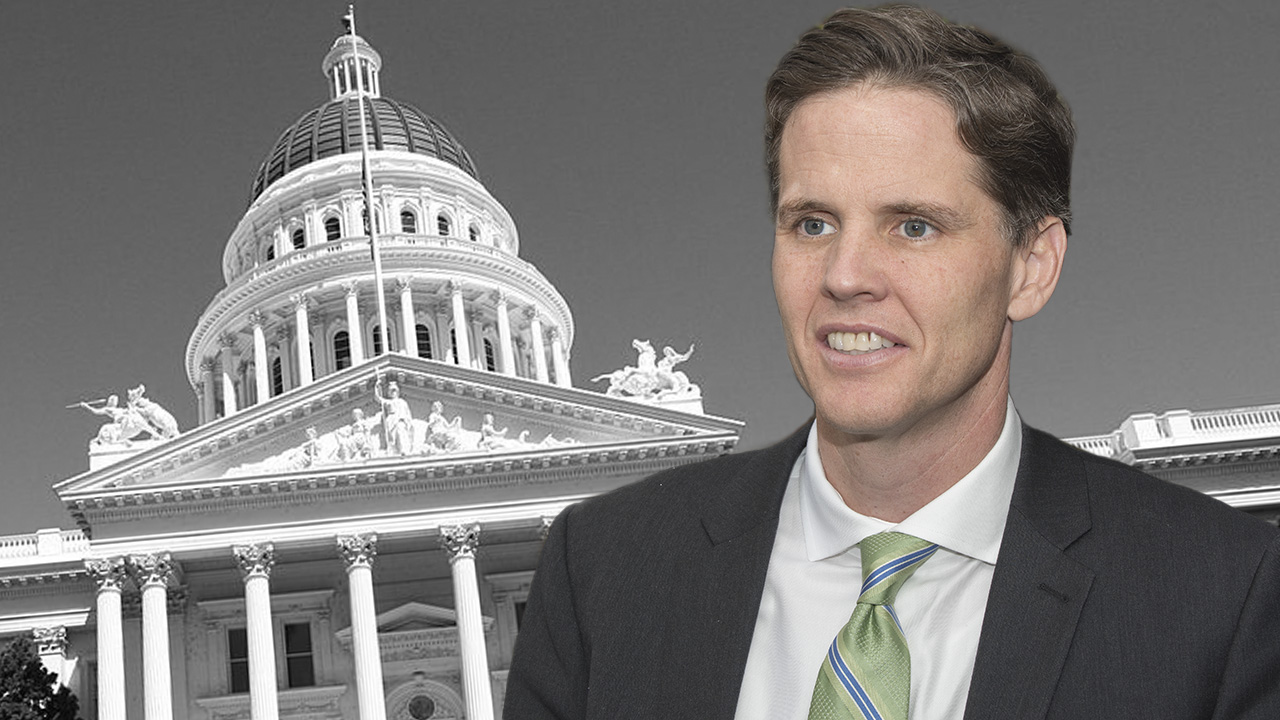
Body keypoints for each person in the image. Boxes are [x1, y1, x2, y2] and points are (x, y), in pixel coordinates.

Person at [504, 5, 1280, 719]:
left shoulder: (1224, 591)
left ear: (1031, 266)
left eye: (913, 226)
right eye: (811, 224)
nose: (844, 276)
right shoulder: (602, 572)